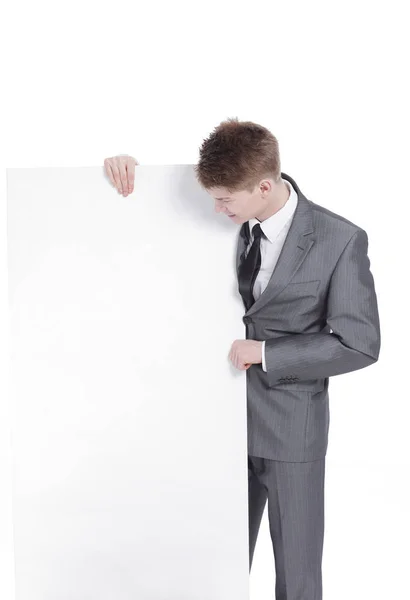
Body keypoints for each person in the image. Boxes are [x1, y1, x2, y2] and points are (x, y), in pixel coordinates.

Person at [103, 117, 381, 600]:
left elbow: (360, 344)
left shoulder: (340, 239)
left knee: (297, 577)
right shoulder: (224, 216)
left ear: (264, 186)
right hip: (216, 422)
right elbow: (159, 219)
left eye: (225, 199)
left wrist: (269, 353)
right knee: (213, 569)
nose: (216, 208)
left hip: (291, 428)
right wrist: (126, 170)